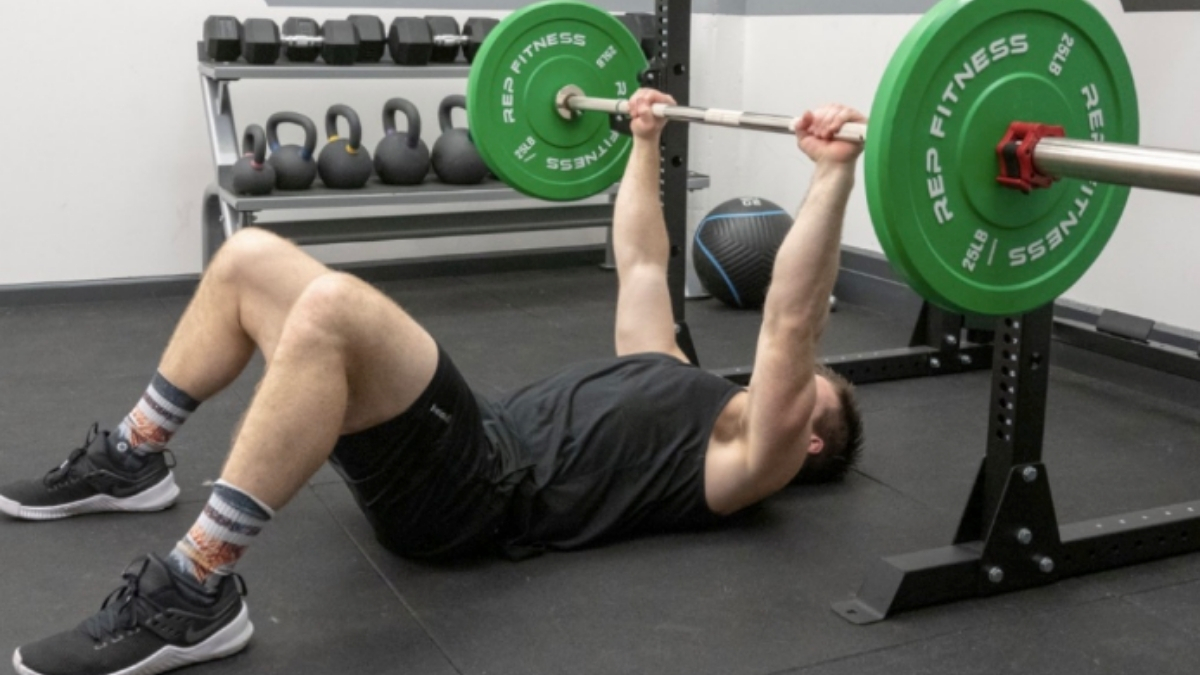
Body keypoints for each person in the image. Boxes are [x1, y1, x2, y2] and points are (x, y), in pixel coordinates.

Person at [1, 90, 865, 675]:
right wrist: (643, 142)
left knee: (334, 307)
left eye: (813, 389)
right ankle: (136, 454)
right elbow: (643, 259)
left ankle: (197, 583)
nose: (799, 378)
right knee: (249, 257)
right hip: (471, 439)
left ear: (809, 437)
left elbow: (791, 323)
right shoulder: (674, 371)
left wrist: (832, 175)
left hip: (478, 497)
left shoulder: (752, 460)